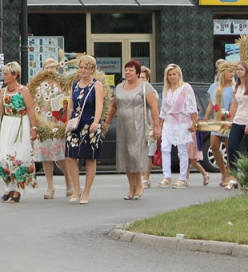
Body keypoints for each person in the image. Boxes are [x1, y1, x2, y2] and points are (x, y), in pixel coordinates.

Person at [104, 60, 159, 200]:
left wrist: (157, 126)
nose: (128, 72)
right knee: (126, 156)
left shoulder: (145, 87)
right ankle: (131, 188)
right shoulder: (119, 87)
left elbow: (154, 106)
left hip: (138, 125)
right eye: (126, 69)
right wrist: (107, 123)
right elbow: (113, 107)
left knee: (136, 155)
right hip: (123, 126)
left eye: (131, 70)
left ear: (138, 73)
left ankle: (139, 185)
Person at [0, 61, 37, 203]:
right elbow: (1, 112)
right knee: (3, 158)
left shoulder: (23, 90)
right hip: (7, 124)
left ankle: (18, 189)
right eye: (4, 74)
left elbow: (31, 110)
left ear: (15, 75)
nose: (4, 76)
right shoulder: (3, 91)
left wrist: (34, 128)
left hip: (21, 123)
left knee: (18, 158)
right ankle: (9, 186)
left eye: (6, 74)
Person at [63, 55, 104, 203]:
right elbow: (71, 106)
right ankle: (76, 189)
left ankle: (86, 192)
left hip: (90, 123)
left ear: (92, 69)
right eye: (81, 67)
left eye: (86, 68)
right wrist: (68, 124)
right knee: (70, 156)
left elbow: (99, 105)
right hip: (76, 124)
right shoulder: (74, 85)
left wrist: (96, 122)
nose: (83, 70)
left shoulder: (96, 85)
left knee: (89, 158)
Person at [27, 63, 71, 199]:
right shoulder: (38, 86)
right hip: (43, 123)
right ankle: (50, 186)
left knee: (60, 155)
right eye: (46, 68)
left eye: (52, 68)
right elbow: (33, 106)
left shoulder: (63, 85)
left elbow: (68, 104)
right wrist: (34, 124)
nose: (49, 71)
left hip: (58, 122)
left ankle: (69, 181)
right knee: (45, 156)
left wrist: (65, 124)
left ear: (57, 70)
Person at [157, 64, 199, 188]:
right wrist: (160, 123)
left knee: (182, 150)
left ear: (179, 75)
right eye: (169, 75)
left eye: (174, 74)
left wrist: (194, 123)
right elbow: (164, 109)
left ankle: (182, 178)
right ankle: (167, 176)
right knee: (164, 147)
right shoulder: (167, 90)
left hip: (182, 121)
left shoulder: (186, 88)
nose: (172, 77)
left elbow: (192, 105)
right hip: (169, 122)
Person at [226, 60, 248, 190]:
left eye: (241, 69)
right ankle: (233, 177)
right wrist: (230, 118)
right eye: (237, 69)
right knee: (232, 147)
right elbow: (235, 103)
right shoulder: (237, 86)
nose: (238, 71)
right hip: (238, 120)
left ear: (247, 71)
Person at [203, 66, 234, 187]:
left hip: (228, 119)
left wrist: (230, 118)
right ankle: (223, 171)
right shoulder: (214, 87)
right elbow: (211, 104)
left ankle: (228, 172)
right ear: (222, 73)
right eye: (229, 71)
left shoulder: (234, 88)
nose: (232, 74)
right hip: (217, 120)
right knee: (214, 145)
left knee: (229, 147)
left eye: (233, 72)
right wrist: (206, 117)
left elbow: (233, 104)